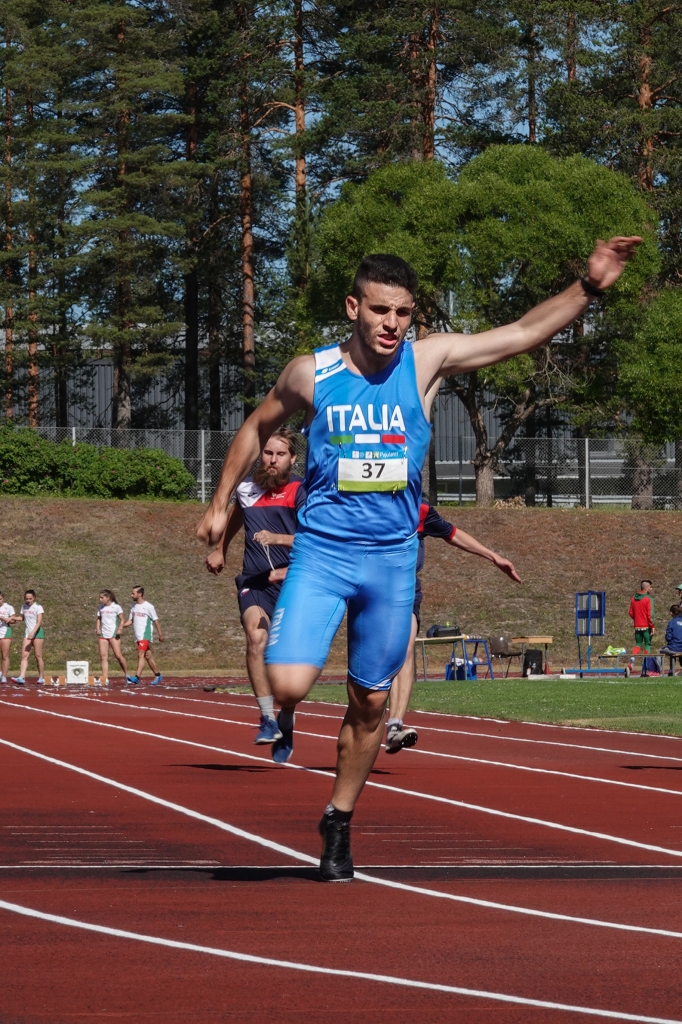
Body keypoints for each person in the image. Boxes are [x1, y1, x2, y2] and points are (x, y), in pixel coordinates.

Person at [197, 236, 641, 882]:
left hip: (391, 561)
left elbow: (520, 334)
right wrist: (219, 505)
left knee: (371, 704)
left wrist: (589, 287)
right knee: (288, 685)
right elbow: (255, 426)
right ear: (353, 307)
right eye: (380, 310)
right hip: (323, 552)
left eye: (403, 313)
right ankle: (289, 716)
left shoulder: (425, 362)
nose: (391, 324)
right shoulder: (310, 372)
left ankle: (338, 820)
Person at [385, 503, 521, 753]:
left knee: (405, 650)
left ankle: (395, 726)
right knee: (376, 662)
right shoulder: (369, 505)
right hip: (372, 591)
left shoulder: (420, 510)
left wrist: (493, 557)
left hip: (406, 591)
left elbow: (453, 534)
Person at [206, 428, 306, 746]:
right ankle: (267, 718)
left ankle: (287, 713)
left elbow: (318, 539)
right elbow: (237, 515)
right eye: (268, 453)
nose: (273, 460)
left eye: (280, 454)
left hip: (294, 581)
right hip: (255, 580)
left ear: (292, 458)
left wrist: (279, 540)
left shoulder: (301, 490)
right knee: (256, 637)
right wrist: (221, 548)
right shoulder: (247, 488)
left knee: (288, 662)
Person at [123, 586, 164, 684]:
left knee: (140, 654)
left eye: (133, 593)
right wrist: (121, 626)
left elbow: (156, 621)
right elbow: (131, 620)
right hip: (138, 635)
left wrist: (160, 634)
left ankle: (137, 677)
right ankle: (158, 675)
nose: (131, 595)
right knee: (147, 655)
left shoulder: (149, 606)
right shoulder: (133, 606)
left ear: (140, 594)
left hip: (145, 634)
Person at [11, 589, 45, 685]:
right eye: (26, 598)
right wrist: (13, 618)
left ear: (34, 598)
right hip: (27, 633)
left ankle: (41, 677)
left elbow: (39, 622)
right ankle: (21, 677)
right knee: (24, 655)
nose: (28, 600)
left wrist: (33, 632)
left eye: (30, 598)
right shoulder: (24, 606)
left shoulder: (38, 607)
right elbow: (22, 618)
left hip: (37, 633)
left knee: (38, 655)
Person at [96, 589, 128, 685]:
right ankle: (105, 678)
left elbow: (122, 619)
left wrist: (120, 628)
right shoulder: (101, 607)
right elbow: (98, 619)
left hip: (113, 634)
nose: (100, 599)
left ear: (108, 597)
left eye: (102, 597)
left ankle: (127, 675)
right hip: (103, 634)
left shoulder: (116, 607)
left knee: (118, 656)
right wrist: (98, 628)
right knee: (103, 657)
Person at [629, 579, 654, 655]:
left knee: (638, 644)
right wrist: (652, 626)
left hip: (637, 625)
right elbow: (650, 614)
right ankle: (646, 661)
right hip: (646, 626)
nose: (651, 589)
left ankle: (632, 660)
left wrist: (637, 619)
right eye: (650, 587)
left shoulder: (633, 598)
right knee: (647, 644)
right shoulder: (649, 598)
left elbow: (630, 612)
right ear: (646, 588)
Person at [659, 603, 682, 673]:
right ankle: (671, 671)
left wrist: (667, 637)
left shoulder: (671, 622)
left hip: (674, 647)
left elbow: (668, 638)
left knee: (660, 651)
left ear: (671, 613)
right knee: (672, 651)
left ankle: (657, 670)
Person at [0, 591, 15, 683]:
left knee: (5, 655)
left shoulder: (8, 607)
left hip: (5, 632)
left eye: (0, 599)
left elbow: (14, 620)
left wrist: (6, 619)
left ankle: (4, 676)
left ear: (3, 598)